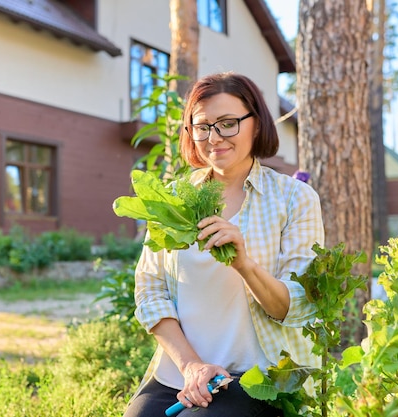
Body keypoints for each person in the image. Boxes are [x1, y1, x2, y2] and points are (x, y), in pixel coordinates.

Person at [123, 71, 325, 417]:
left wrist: (244, 263)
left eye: (227, 123)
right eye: (201, 126)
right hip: (184, 374)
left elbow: (295, 306)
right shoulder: (174, 198)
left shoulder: (294, 198)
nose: (213, 137)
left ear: (256, 124)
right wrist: (192, 366)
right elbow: (150, 290)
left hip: (258, 376)